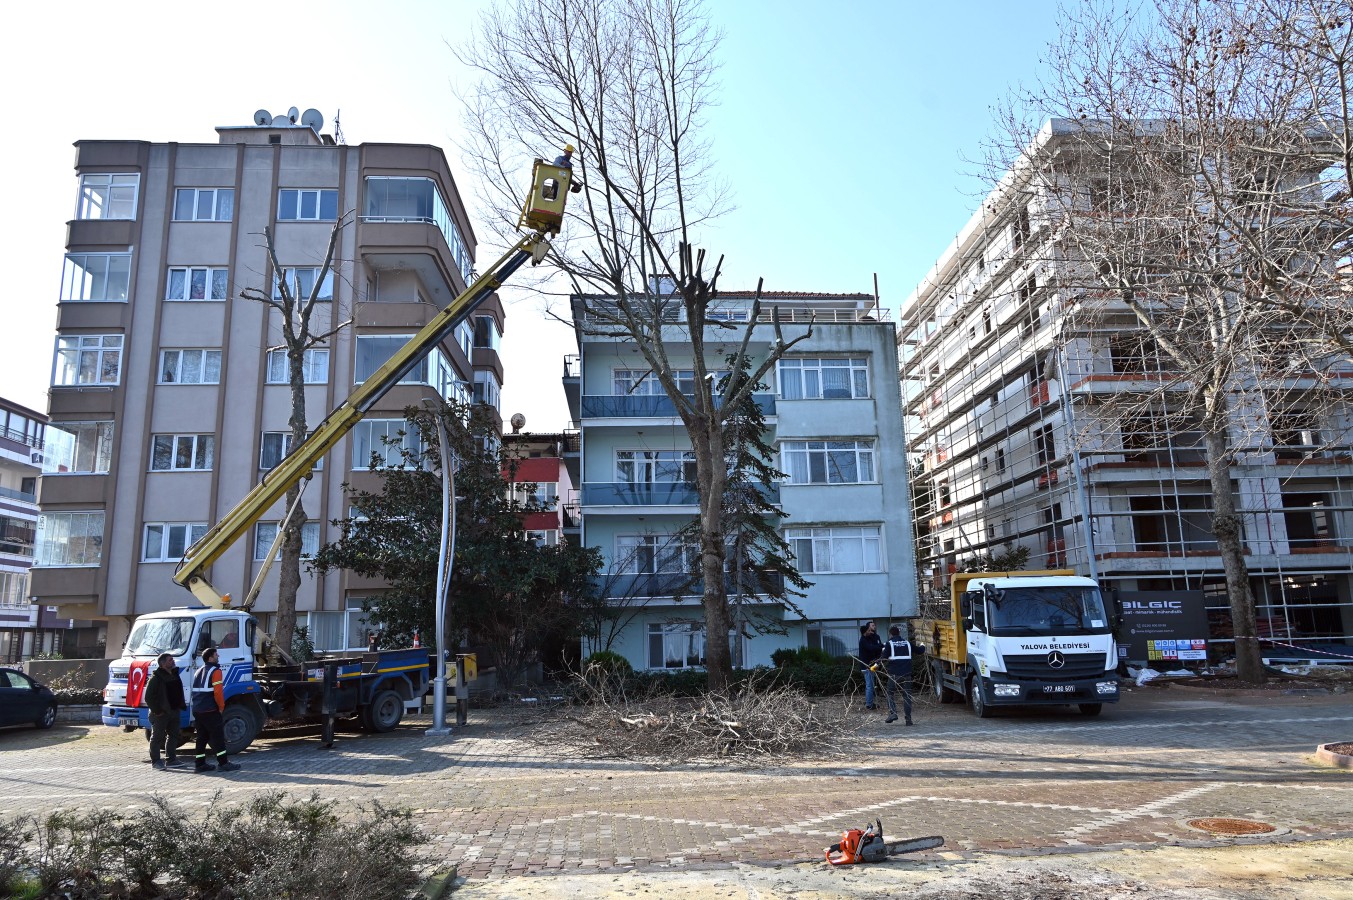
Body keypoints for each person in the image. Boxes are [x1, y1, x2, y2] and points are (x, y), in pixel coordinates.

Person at [191, 647, 240, 773]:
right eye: (215, 654)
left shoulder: (199, 670)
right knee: (218, 737)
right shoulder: (216, 671)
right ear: (210, 658)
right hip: (210, 710)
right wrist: (221, 707)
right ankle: (223, 763)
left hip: (198, 709)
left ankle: (200, 764)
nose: (218, 656)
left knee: (201, 737)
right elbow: (218, 692)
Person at [145, 652, 187, 769]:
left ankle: (171, 760)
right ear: (162, 664)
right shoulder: (155, 678)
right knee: (157, 737)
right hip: (161, 714)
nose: (173, 661)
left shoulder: (174, 674)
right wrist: (157, 711)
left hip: (174, 711)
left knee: (173, 735)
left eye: (172, 659)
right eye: (170, 660)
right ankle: (156, 762)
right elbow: (148, 697)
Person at [882, 624, 925, 725]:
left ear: (890, 634)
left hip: (894, 674)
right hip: (907, 674)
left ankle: (893, 713)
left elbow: (883, 657)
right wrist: (922, 644)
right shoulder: (907, 643)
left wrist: (877, 662)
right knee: (907, 696)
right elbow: (920, 651)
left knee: (890, 693)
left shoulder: (889, 644)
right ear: (899, 633)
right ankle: (908, 719)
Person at [858, 621, 884, 710]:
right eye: (869, 630)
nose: (871, 632)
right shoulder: (863, 640)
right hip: (866, 666)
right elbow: (871, 647)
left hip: (871, 666)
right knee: (870, 686)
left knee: (871, 685)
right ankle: (869, 704)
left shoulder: (869, 638)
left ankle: (870, 702)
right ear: (865, 631)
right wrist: (882, 646)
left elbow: (874, 647)